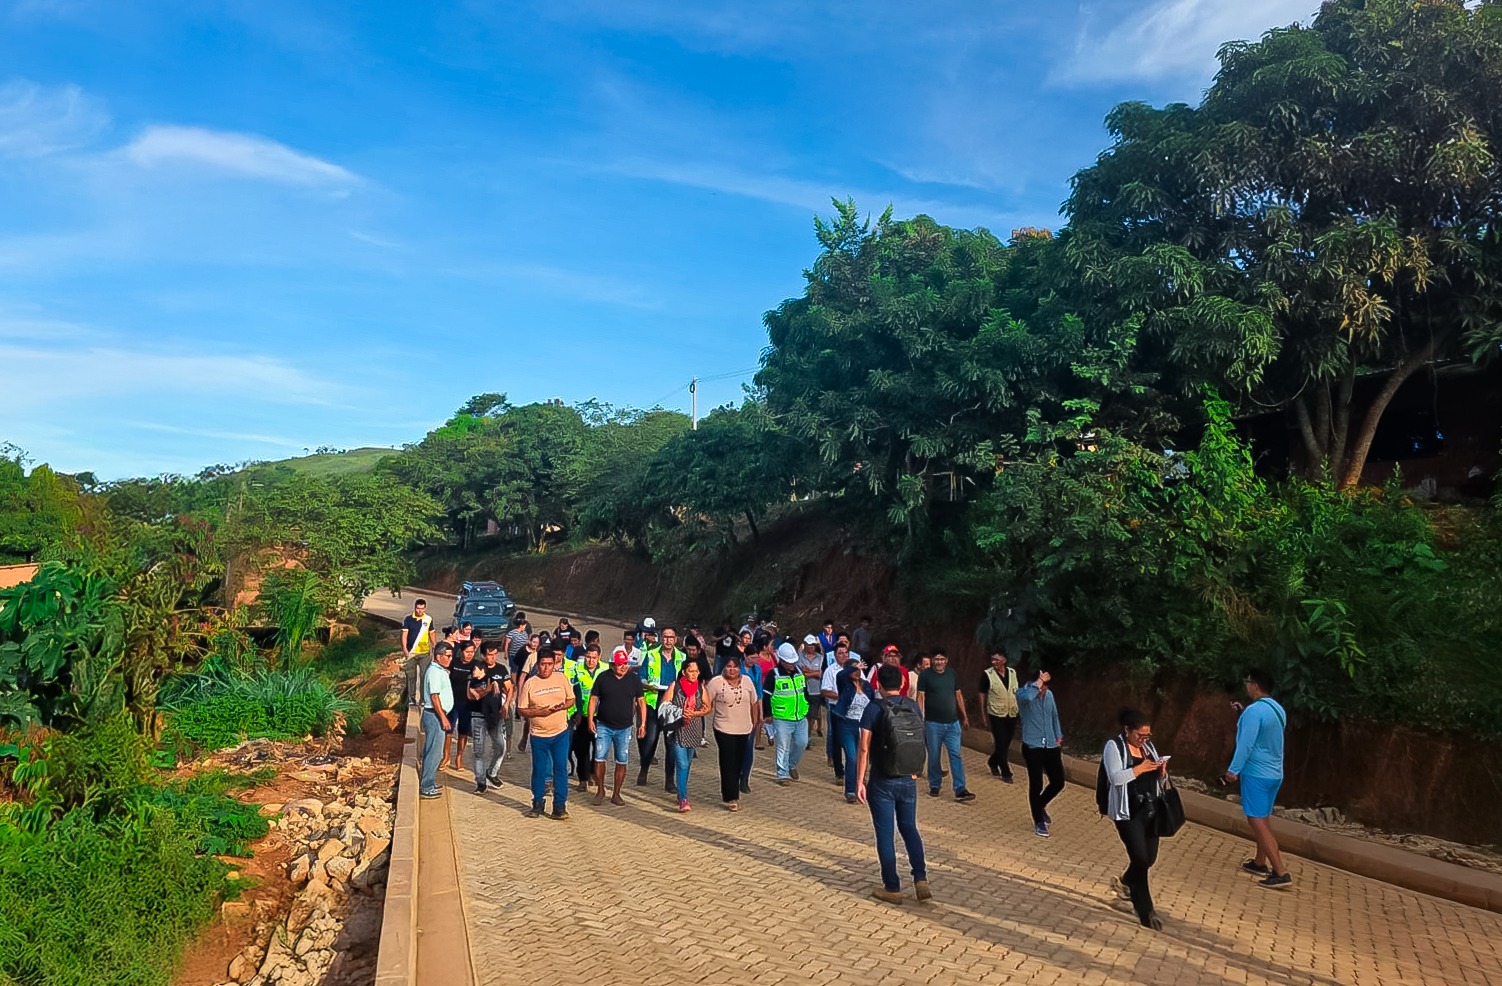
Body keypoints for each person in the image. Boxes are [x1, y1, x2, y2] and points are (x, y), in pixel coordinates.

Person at [856, 663, 931, 904]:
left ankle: (892, 886)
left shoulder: (874, 708)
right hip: (908, 778)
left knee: (885, 834)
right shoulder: (912, 706)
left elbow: (864, 747)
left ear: (877, 685)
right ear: (901, 684)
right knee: (910, 828)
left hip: (882, 780)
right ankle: (920, 878)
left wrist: (859, 780)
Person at [1224, 669, 1292, 889]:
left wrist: (1233, 770)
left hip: (1256, 772)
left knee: (1255, 819)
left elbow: (1246, 743)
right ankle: (1259, 861)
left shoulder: (1254, 712)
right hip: (1275, 773)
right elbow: (1265, 735)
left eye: (1248, 682)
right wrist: (1242, 714)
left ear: (1255, 685)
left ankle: (1280, 871)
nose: (1246, 686)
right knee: (1264, 816)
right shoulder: (1277, 709)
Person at [1103, 709, 1170, 930]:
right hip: (1126, 812)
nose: (1143, 740)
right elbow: (1115, 778)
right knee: (1140, 858)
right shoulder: (1114, 746)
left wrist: (1161, 772)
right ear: (1127, 730)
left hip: (1150, 810)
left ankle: (1124, 883)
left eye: (1147, 736)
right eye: (1139, 736)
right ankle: (1145, 910)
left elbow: (1158, 778)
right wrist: (1139, 769)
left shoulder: (1149, 748)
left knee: (1148, 859)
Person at [517, 651, 575, 819]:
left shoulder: (561, 678)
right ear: (537, 665)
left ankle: (559, 806)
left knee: (560, 769)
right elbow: (521, 709)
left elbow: (571, 699)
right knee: (539, 770)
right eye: (543, 664)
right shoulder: (530, 683)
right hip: (539, 735)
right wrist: (538, 712)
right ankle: (537, 803)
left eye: (550, 664)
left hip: (560, 733)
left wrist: (563, 706)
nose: (546, 668)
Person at [916, 650, 976, 802]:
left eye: (942, 659)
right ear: (932, 660)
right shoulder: (925, 675)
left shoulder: (952, 674)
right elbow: (920, 696)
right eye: (936, 659)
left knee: (955, 754)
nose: (939, 662)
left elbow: (958, 694)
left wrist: (964, 716)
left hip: (953, 723)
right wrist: (918, 717)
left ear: (946, 660)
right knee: (934, 755)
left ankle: (960, 789)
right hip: (932, 723)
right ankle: (935, 784)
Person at [589, 649, 646, 807]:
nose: (623, 667)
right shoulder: (603, 677)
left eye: (625, 664)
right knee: (599, 757)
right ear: (613, 665)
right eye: (620, 665)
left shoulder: (634, 679)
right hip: (603, 726)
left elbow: (641, 702)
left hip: (624, 728)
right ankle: (600, 790)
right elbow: (593, 699)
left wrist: (643, 723)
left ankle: (616, 793)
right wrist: (590, 720)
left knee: (622, 759)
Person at [705, 655, 761, 811]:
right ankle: (731, 796)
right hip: (723, 727)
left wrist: (754, 722)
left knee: (738, 761)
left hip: (744, 728)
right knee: (728, 760)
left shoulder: (748, 681)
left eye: (735, 667)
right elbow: (705, 702)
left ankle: (735, 787)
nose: (731, 670)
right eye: (728, 666)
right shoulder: (716, 683)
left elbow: (754, 702)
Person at [1016, 669, 1065, 837]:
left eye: (1045, 687)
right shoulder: (1023, 693)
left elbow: (1054, 716)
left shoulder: (1049, 695)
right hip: (1033, 746)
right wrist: (1038, 683)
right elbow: (1029, 697)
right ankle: (1038, 821)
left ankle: (1040, 804)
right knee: (1036, 784)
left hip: (1051, 745)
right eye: (1042, 686)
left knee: (1058, 782)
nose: (1043, 691)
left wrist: (1058, 736)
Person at [662, 658, 710, 811]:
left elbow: (707, 707)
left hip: (694, 729)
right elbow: (664, 705)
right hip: (678, 729)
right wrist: (680, 713)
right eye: (691, 671)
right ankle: (683, 798)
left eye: (696, 671)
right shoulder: (675, 686)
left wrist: (695, 713)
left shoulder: (700, 688)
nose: (694, 674)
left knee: (687, 765)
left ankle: (681, 790)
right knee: (681, 764)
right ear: (684, 672)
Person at [468, 642, 510, 793]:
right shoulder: (475, 670)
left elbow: (510, 688)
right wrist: (488, 689)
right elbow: (472, 695)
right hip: (478, 716)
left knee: (501, 747)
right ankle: (480, 782)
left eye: (494, 655)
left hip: (495, 715)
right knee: (479, 751)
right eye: (489, 655)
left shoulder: (501, 669)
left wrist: (506, 705)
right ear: (483, 656)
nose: (492, 658)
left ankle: (491, 772)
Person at [767, 642, 810, 784]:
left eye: (793, 662)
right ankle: (782, 774)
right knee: (783, 747)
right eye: (789, 662)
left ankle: (791, 765)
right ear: (782, 660)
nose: (792, 665)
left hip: (800, 716)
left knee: (802, 743)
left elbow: (805, 692)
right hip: (782, 717)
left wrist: (807, 707)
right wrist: (767, 714)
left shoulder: (799, 672)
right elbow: (766, 695)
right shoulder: (774, 675)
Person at [833, 649, 873, 803]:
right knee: (851, 756)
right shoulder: (844, 684)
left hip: (863, 725)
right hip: (847, 724)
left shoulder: (866, 686)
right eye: (855, 670)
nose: (858, 673)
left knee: (863, 756)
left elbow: (873, 702)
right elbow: (841, 675)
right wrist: (852, 667)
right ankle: (850, 790)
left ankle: (861, 785)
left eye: (859, 670)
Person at [418, 642, 454, 799]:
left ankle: (429, 782)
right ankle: (426, 786)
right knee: (434, 752)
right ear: (439, 656)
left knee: (432, 750)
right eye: (448, 656)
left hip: (436, 715)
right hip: (434, 715)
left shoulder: (440, 671)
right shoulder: (434, 672)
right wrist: (443, 717)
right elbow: (434, 696)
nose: (450, 659)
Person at [978, 650, 1020, 782]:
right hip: (996, 714)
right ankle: (1006, 771)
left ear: (1004, 660)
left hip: (1012, 713)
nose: (994, 662)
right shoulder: (987, 675)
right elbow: (982, 694)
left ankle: (992, 761)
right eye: (992, 659)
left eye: (997, 659)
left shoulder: (1012, 673)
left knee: (1005, 743)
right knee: (1000, 742)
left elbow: (1017, 691)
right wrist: (983, 714)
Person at [568, 644, 605, 791]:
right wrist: (574, 712)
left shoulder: (606, 669)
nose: (590, 661)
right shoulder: (577, 669)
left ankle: (593, 772)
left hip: (600, 716)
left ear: (599, 658)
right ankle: (583, 779)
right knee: (581, 749)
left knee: (599, 748)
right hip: (581, 715)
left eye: (593, 658)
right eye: (588, 657)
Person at [446, 639, 476, 770]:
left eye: (472, 652)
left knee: (463, 732)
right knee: (448, 730)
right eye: (467, 651)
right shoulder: (454, 662)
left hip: (467, 704)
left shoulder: (476, 665)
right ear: (461, 652)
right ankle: (446, 756)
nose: (470, 654)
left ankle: (459, 757)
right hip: (452, 702)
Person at [401, 599, 436, 706]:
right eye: (418, 608)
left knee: (424, 676)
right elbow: (404, 635)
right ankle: (411, 698)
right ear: (415, 607)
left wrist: (435, 647)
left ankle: (423, 699)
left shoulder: (428, 619)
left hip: (424, 653)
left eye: (422, 608)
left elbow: (432, 633)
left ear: (425, 608)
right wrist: (405, 650)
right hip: (411, 652)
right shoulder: (408, 619)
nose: (420, 611)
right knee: (411, 676)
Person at [797, 634, 827, 739]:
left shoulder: (821, 658)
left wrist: (808, 672)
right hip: (803, 689)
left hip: (816, 690)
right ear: (805, 645)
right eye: (809, 645)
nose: (811, 647)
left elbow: (820, 674)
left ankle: (808, 736)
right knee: (804, 715)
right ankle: (803, 736)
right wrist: (814, 673)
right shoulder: (799, 656)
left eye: (813, 645)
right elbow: (801, 673)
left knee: (812, 716)